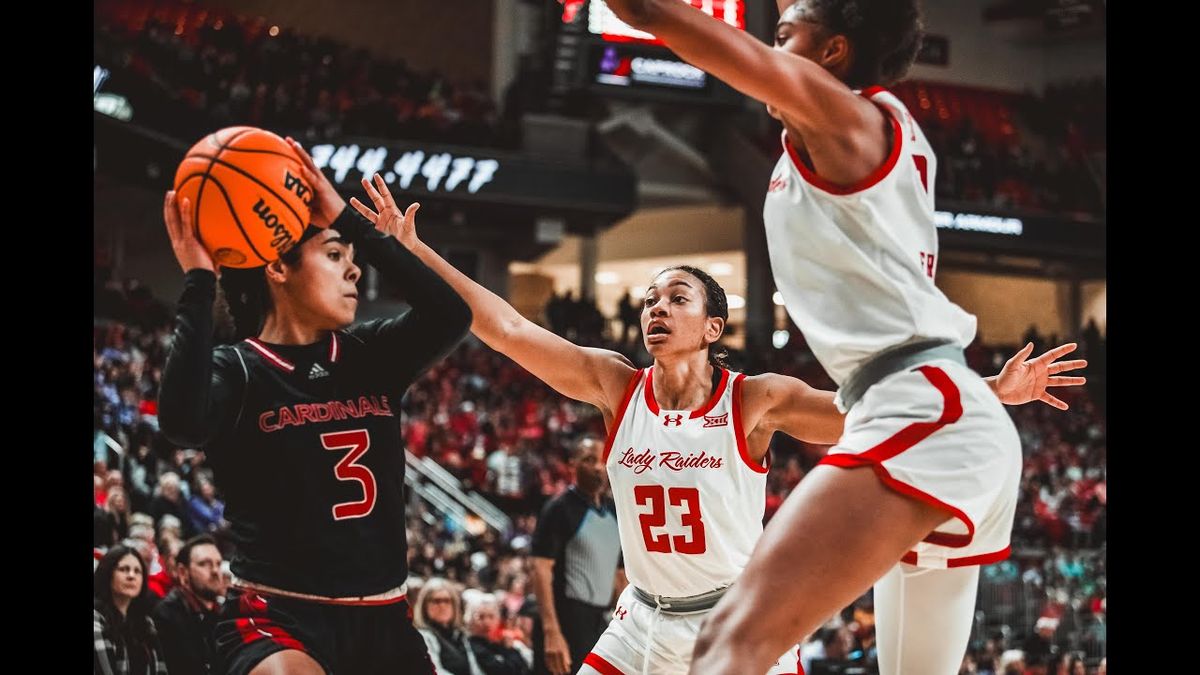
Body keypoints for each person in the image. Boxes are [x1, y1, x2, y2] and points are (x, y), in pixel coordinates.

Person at [348, 175, 1079, 675]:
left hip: (737, 617)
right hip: (641, 619)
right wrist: (416, 254)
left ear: (713, 327)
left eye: (675, 298)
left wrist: (990, 389)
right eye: (648, 300)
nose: (654, 309)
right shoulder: (614, 385)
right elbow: (506, 326)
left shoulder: (755, 398)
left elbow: (868, 413)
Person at [598, 2, 1089, 674]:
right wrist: (987, 391)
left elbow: (659, 17)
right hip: (945, 409)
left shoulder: (842, 113)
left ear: (832, 53)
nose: (771, 48)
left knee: (727, 644)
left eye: (783, 36)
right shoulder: (875, 135)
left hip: (919, 412)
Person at [157, 137, 471, 675]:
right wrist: (198, 280)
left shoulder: (371, 355)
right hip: (279, 616)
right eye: (334, 255)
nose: (354, 272)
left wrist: (346, 222)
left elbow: (451, 314)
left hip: (385, 618)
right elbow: (180, 422)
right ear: (278, 267)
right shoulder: (239, 369)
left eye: (351, 258)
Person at [530, 437, 625, 675]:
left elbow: (620, 574)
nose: (597, 467)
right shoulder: (559, 508)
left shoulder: (615, 510)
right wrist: (551, 632)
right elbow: (540, 570)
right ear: (572, 464)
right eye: (589, 459)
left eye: (603, 460)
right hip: (565, 620)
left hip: (599, 621)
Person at [152, 534, 226, 675]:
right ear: (182, 572)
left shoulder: (221, 612)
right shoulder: (167, 614)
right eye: (204, 564)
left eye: (218, 564)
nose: (216, 571)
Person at [94, 545, 170, 674]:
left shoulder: (145, 623)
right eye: (124, 569)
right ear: (108, 574)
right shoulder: (96, 619)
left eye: (137, 571)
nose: (131, 576)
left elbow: (161, 670)